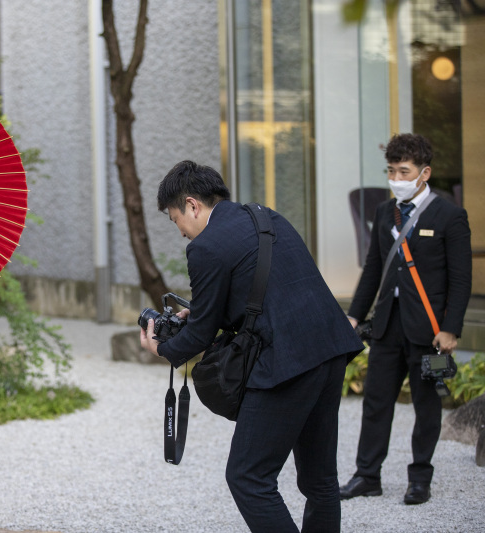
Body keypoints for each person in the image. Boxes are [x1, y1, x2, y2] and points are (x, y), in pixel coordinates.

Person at [140, 161, 363, 533]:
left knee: (247, 477)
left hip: (287, 362)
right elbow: (274, 287)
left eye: (174, 218)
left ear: (192, 205)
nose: (179, 230)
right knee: (319, 480)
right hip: (330, 345)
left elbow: (199, 337)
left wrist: (162, 350)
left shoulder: (205, 247)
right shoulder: (263, 216)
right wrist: (200, 313)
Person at [340, 133, 472, 505]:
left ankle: (419, 479)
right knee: (376, 401)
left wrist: (451, 328)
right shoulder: (385, 213)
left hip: (428, 330)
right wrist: (354, 316)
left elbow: (461, 279)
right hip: (387, 324)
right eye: (391, 170)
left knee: (426, 405)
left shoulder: (450, 215)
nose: (396, 177)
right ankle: (367, 475)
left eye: (404, 171)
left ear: (424, 173)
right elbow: (373, 269)